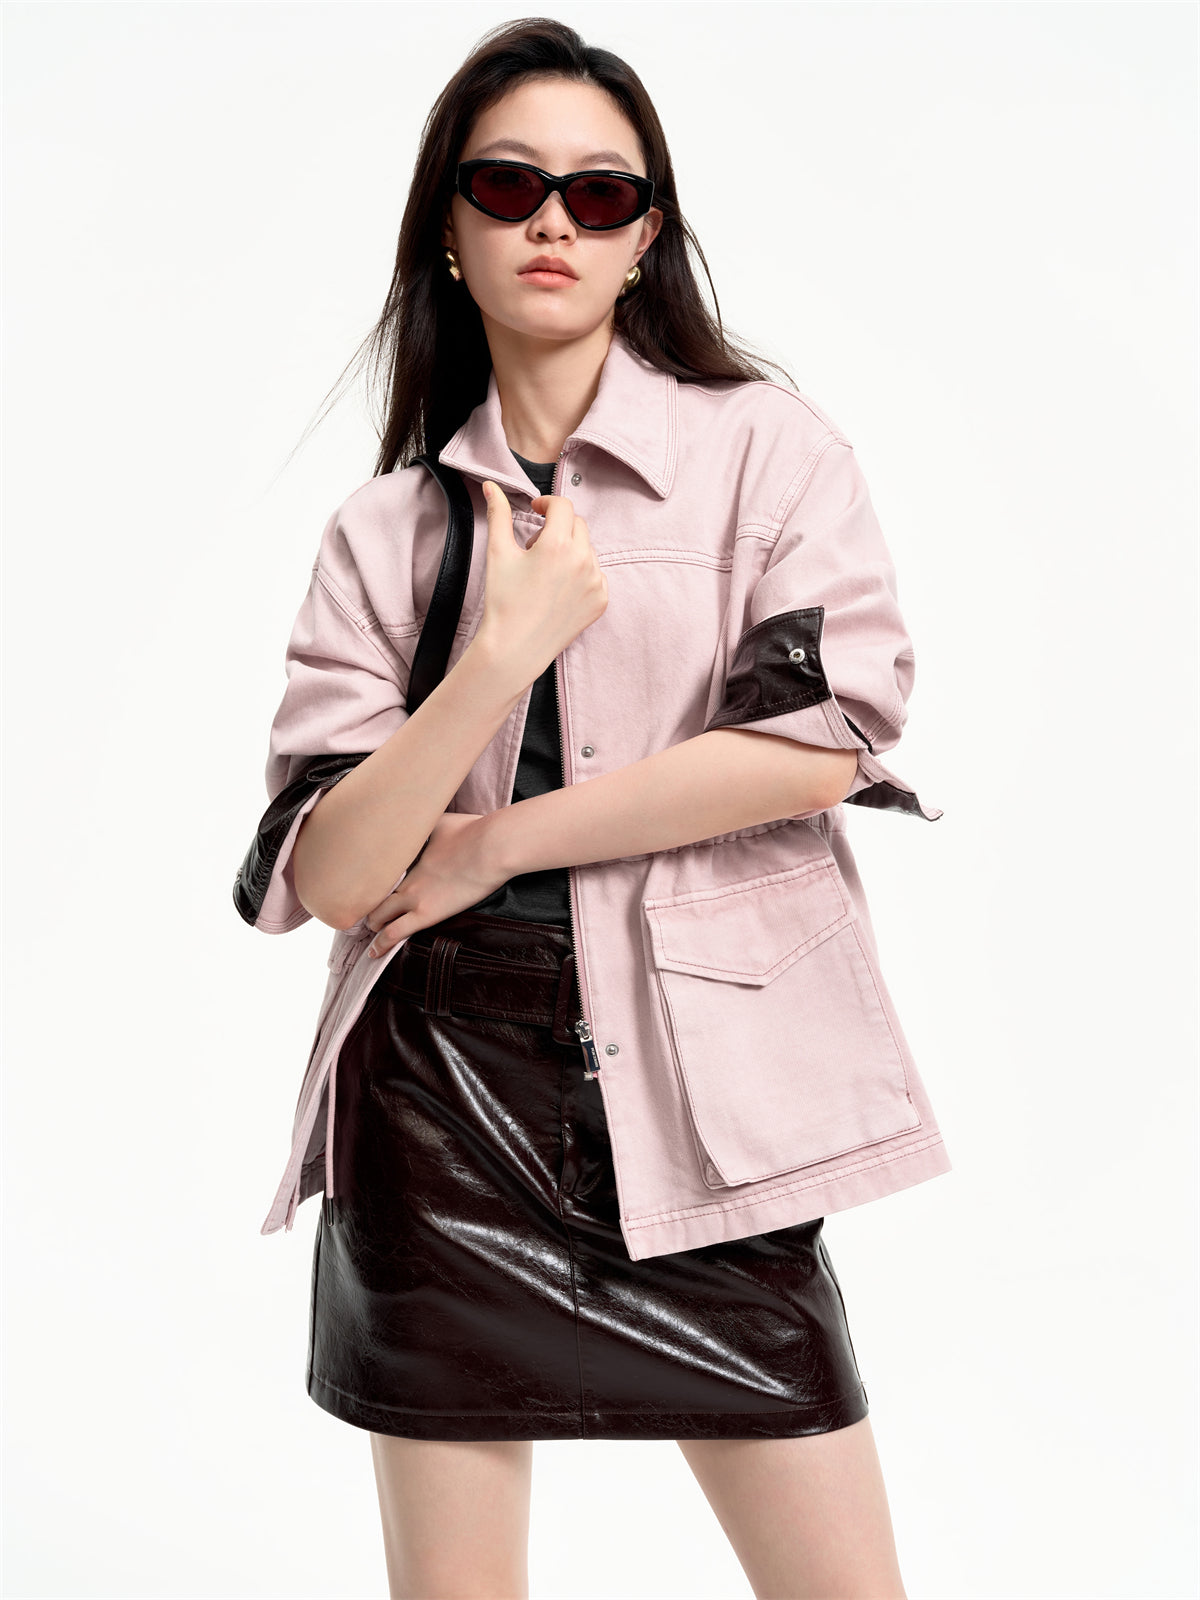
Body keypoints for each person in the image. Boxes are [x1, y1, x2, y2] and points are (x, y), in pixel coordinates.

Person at [249, 17, 949, 1599]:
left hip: (703, 1090)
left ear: (647, 237)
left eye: (601, 192)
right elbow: (338, 873)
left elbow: (816, 745)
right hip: (435, 1109)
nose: (552, 220)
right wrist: (496, 660)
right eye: (507, 185)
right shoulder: (385, 528)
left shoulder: (765, 452)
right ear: (449, 227)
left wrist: (498, 840)